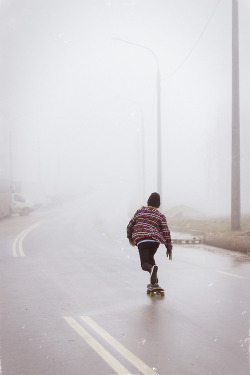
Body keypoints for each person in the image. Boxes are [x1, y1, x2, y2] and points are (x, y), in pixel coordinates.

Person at [127, 192, 172, 286]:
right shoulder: (160, 216)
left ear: (148, 202)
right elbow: (166, 232)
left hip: (142, 240)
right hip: (155, 241)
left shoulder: (140, 211)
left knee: (144, 264)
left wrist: (130, 238)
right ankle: (154, 282)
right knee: (150, 259)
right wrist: (169, 248)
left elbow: (129, 226)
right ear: (158, 204)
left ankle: (151, 270)